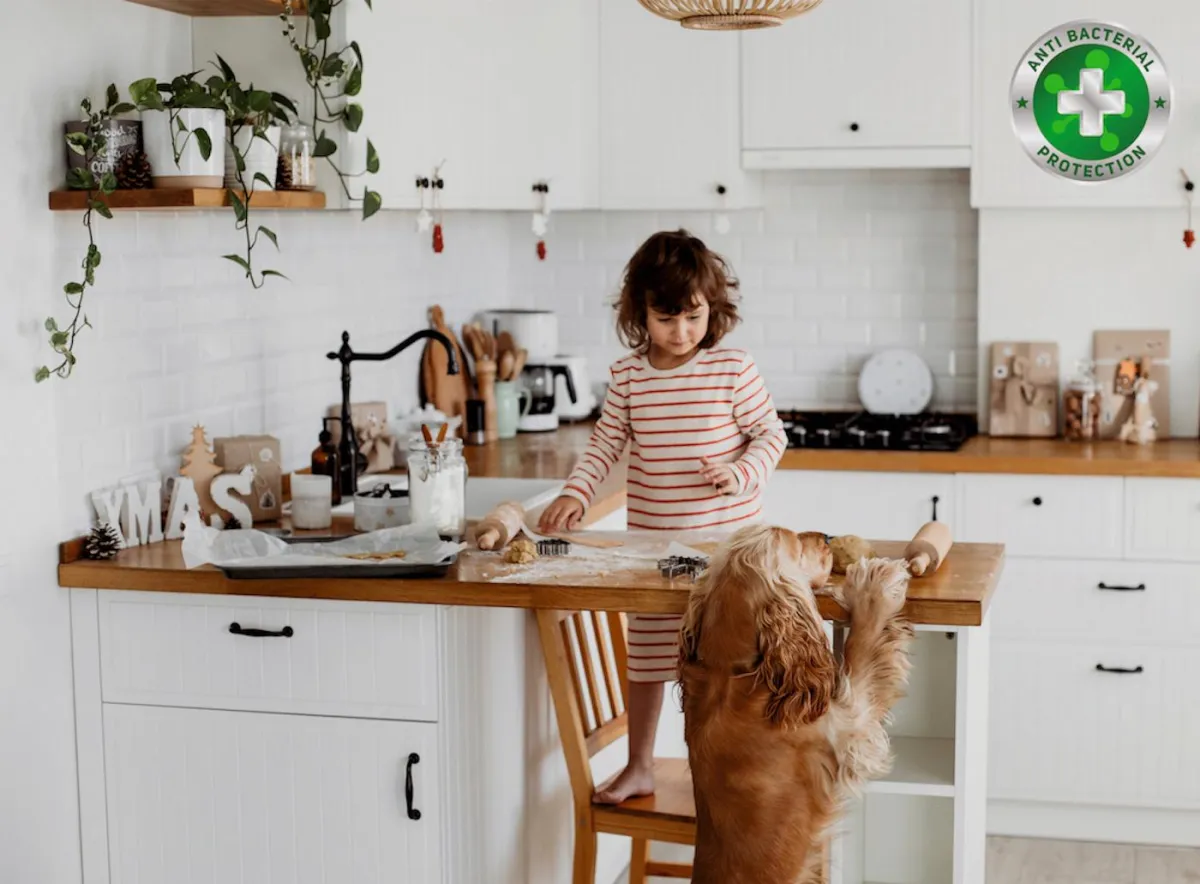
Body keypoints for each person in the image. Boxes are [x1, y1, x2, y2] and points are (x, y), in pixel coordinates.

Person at [538, 228, 788, 804]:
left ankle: (727, 771)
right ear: (640, 312)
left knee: (724, 661)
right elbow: (604, 444)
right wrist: (577, 493)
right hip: (654, 549)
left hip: (726, 549)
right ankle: (641, 765)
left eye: (693, 318)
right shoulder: (628, 377)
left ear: (712, 309)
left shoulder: (732, 368)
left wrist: (740, 473)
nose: (681, 333)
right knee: (649, 656)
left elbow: (770, 435)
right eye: (666, 318)